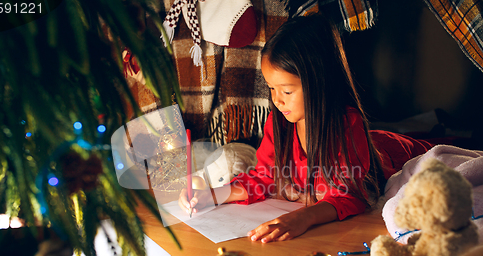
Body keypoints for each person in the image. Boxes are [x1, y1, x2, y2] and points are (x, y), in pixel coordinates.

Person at [179, 13, 433, 243]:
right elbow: (263, 178)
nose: (277, 100)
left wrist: (303, 217)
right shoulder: (278, 122)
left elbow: (349, 197)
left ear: (319, 83)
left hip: (392, 150)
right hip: (372, 144)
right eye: (271, 88)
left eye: (287, 91)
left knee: (435, 146)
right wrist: (212, 196)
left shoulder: (347, 125)